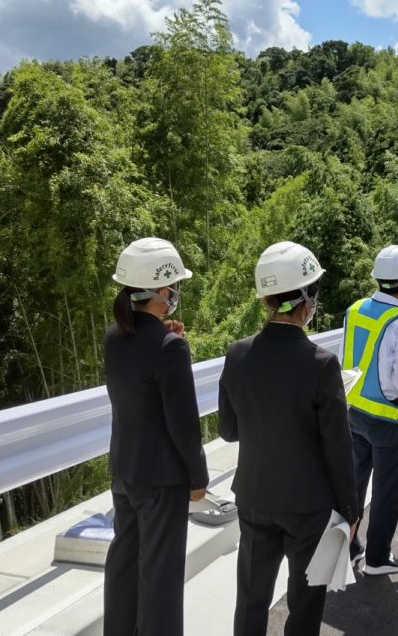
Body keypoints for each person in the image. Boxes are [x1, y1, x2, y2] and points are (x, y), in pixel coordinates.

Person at [218, 241, 359, 636]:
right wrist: (351, 509)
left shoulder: (237, 354)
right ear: (307, 299)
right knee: (305, 601)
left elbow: (228, 431)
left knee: (251, 597)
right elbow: (337, 447)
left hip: (255, 496)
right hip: (308, 506)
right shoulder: (322, 364)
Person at [103, 237, 210, 636]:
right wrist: (198, 479)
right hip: (162, 479)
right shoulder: (169, 348)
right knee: (160, 581)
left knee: (124, 567)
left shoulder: (114, 337)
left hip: (125, 471)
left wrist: (168, 337)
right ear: (163, 291)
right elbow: (183, 424)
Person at [343, 245, 398, 575]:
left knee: (354, 484)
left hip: (352, 412)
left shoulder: (355, 309)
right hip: (388, 421)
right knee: (387, 490)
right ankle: (377, 558)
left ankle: (348, 548)